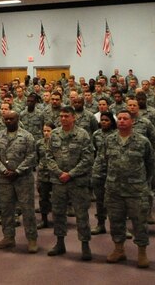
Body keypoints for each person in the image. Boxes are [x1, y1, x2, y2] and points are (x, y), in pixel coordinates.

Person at [94, 110, 154, 268]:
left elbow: (150, 165)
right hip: (114, 189)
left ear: (132, 121)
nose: (121, 121)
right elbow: (102, 161)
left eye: (125, 119)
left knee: (139, 222)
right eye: (119, 118)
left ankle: (142, 252)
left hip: (136, 190)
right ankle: (119, 249)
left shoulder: (142, 141)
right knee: (115, 221)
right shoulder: (109, 140)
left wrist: (142, 182)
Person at [45, 106, 95, 260]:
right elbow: (48, 157)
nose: (63, 118)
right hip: (59, 181)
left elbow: (88, 158)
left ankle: (85, 245)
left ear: (74, 117)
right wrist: (59, 173)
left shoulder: (82, 135)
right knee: (58, 213)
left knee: (81, 214)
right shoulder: (54, 135)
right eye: (61, 116)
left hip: (77, 181)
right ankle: (60, 243)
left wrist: (71, 174)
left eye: (66, 116)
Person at [0, 111, 39, 253]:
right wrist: (3, 170)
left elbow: (31, 156)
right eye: (6, 119)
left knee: (27, 209)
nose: (8, 121)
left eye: (11, 119)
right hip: (4, 178)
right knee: (6, 209)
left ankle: (31, 239)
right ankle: (8, 237)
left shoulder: (27, 136)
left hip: (22, 178)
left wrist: (17, 171)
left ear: (18, 119)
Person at [91, 112, 116, 235]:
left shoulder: (116, 135)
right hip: (99, 170)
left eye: (106, 120)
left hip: (114, 170)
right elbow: (94, 151)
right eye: (102, 120)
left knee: (115, 201)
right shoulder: (96, 134)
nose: (104, 122)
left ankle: (118, 227)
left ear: (111, 121)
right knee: (100, 200)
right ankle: (100, 224)